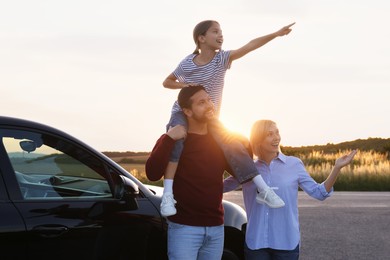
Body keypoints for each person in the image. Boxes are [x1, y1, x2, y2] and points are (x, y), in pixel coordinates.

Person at [160, 19, 295, 216]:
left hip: (209, 116)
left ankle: (262, 189)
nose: (221, 35)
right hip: (182, 112)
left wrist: (275, 34)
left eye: (221, 32)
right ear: (201, 38)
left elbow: (249, 46)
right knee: (177, 138)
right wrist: (184, 86)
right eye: (215, 32)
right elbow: (167, 82)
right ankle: (167, 195)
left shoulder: (221, 59)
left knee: (232, 143)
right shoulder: (187, 63)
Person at [224, 119, 358, 260]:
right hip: (256, 244)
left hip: (286, 244)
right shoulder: (247, 168)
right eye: (270, 134)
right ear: (258, 140)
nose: (276, 138)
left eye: (277, 132)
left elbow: (319, 193)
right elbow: (221, 187)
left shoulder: (294, 164)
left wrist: (336, 168)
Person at [146, 85, 235, 259]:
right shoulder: (174, 139)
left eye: (209, 99)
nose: (209, 105)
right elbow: (153, 173)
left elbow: (239, 171)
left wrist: (239, 143)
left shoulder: (219, 141)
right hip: (184, 228)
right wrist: (169, 138)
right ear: (187, 111)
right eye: (202, 102)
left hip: (216, 227)